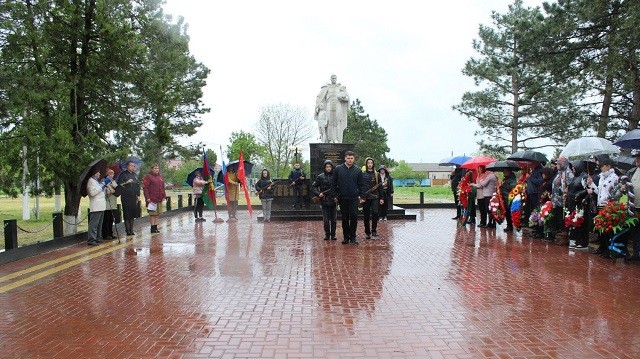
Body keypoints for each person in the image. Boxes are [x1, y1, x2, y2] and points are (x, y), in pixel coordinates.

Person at [588, 157, 619, 255]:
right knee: (600, 228)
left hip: (608, 206)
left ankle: (608, 249)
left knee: (607, 229)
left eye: (602, 166)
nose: (600, 168)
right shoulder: (601, 177)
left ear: (608, 166)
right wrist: (591, 184)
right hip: (600, 205)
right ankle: (602, 247)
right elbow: (599, 192)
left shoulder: (614, 177)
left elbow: (616, 193)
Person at [332, 150, 364, 245]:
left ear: (354, 159)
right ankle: (346, 237)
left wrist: (361, 196)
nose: (350, 160)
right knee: (344, 218)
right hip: (342, 198)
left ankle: (353, 237)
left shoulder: (358, 170)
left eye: (352, 158)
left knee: (354, 216)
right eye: (348, 158)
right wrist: (334, 195)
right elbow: (334, 183)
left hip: (354, 198)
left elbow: (361, 185)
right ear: (345, 158)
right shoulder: (338, 169)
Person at [315, 74, 350, 143]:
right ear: (330, 79)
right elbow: (320, 97)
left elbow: (347, 98)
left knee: (337, 123)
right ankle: (330, 139)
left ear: (336, 79)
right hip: (329, 105)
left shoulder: (340, 87)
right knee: (329, 123)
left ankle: (337, 139)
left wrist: (342, 98)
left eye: (335, 78)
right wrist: (317, 107)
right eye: (332, 78)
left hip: (337, 105)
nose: (334, 79)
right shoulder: (326, 87)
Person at [550, 157, 574, 244]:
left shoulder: (568, 173)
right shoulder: (559, 173)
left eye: (558, 164)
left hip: (563, 200)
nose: (556, 165)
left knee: (563, 218)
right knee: (559, 218)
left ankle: (565, 236)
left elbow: (570, 186)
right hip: (556, 200)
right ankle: (560, 235)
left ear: (563, 164)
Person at [312, 160, 337, 240]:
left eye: (330, 167)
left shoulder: (335, 176)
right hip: (324, 200)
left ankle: (333, 235)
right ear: (324, 167)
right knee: (326, 220)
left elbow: (339, 187)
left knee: (333, 219)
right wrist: (318, 193)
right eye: (327, 167)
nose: (328, 168)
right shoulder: (320, 176)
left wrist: (337, 196)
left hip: (333, 200)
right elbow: (314, 187)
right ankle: (327, 234)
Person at [117, 161, 140, 236]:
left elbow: (137, 185)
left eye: (134, 166)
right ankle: (127, 230)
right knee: (127, 213)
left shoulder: (135, 175)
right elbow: (119, 184)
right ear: (127, 166)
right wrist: (127, 182)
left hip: (133, 196)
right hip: (126, 196)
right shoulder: (123, 174)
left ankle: (131, 229)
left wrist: (138, 195)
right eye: (131, 166)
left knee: (133, 213)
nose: (133, 167)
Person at [142, 164, 166, 234]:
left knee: (157, 213)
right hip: (152, 198)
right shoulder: (148, 177)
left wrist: (164, 195)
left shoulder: (160, 177)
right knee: (152, 214)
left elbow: (162, 187)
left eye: (158, 168)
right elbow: (145, 188)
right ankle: (152, 227)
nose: (157, 170)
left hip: (159, 197)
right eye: (155, 168)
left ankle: (156, 227)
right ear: (152, 169)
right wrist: (147, 198)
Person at [87, 168, 106, 246]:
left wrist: (103, 187)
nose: (99, 174)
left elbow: (100, 192)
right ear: (94, 173)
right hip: (96, 205)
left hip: (101, 205)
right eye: (98, 172)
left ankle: (98, 237)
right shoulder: (91, 181)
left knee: (99, 223)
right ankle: (92, 239)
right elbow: (92, 193)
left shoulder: (96, 181)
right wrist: (101, 186)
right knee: (94, 224)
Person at [101, 168, 118, 240]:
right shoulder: (104, 181)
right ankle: (106, 234)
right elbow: (102, 191)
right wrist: (109, 191)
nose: (111, 175)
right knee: (106, 219)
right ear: (107, 174)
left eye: (112, 174)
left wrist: (116, 189)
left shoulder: (113, 181)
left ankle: (111, 233)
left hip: (113, 202)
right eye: (110, 174)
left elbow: (117, 190)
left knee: (111, 219)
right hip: (107, 203)